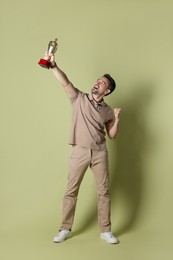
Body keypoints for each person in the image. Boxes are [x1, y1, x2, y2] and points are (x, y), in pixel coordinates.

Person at [44, 51, 121, 244]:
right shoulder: (79, 98)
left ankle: (105, 231)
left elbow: (112, 135)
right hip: (79, 150)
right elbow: (65, 82)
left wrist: (117, 118)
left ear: (107, 91)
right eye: (97, 80)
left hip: (100, 153)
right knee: (71, 191)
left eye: (102, 83)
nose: (97, 83)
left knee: (103, 192)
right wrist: (54, 65)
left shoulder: (108, 110)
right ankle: (65, 229)